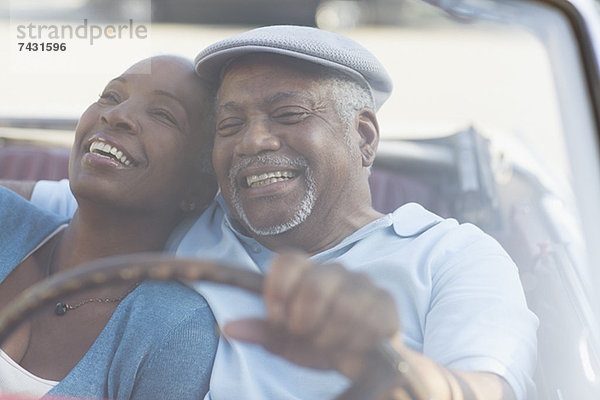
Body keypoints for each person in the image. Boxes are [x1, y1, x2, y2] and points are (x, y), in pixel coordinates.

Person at [13, 26, 537, 400]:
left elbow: (484, 389)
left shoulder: (451, 256)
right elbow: (73, 194)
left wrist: (390, 365)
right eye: (229, 124)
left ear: (363, 136)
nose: (252, 142)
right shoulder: (189, 214)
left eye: (288, 115)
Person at [0, 55, 219, 399]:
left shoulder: (175, 329)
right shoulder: (5, 218)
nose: (116, 115)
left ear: (198, 190)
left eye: (162, 114)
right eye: (111, 96)